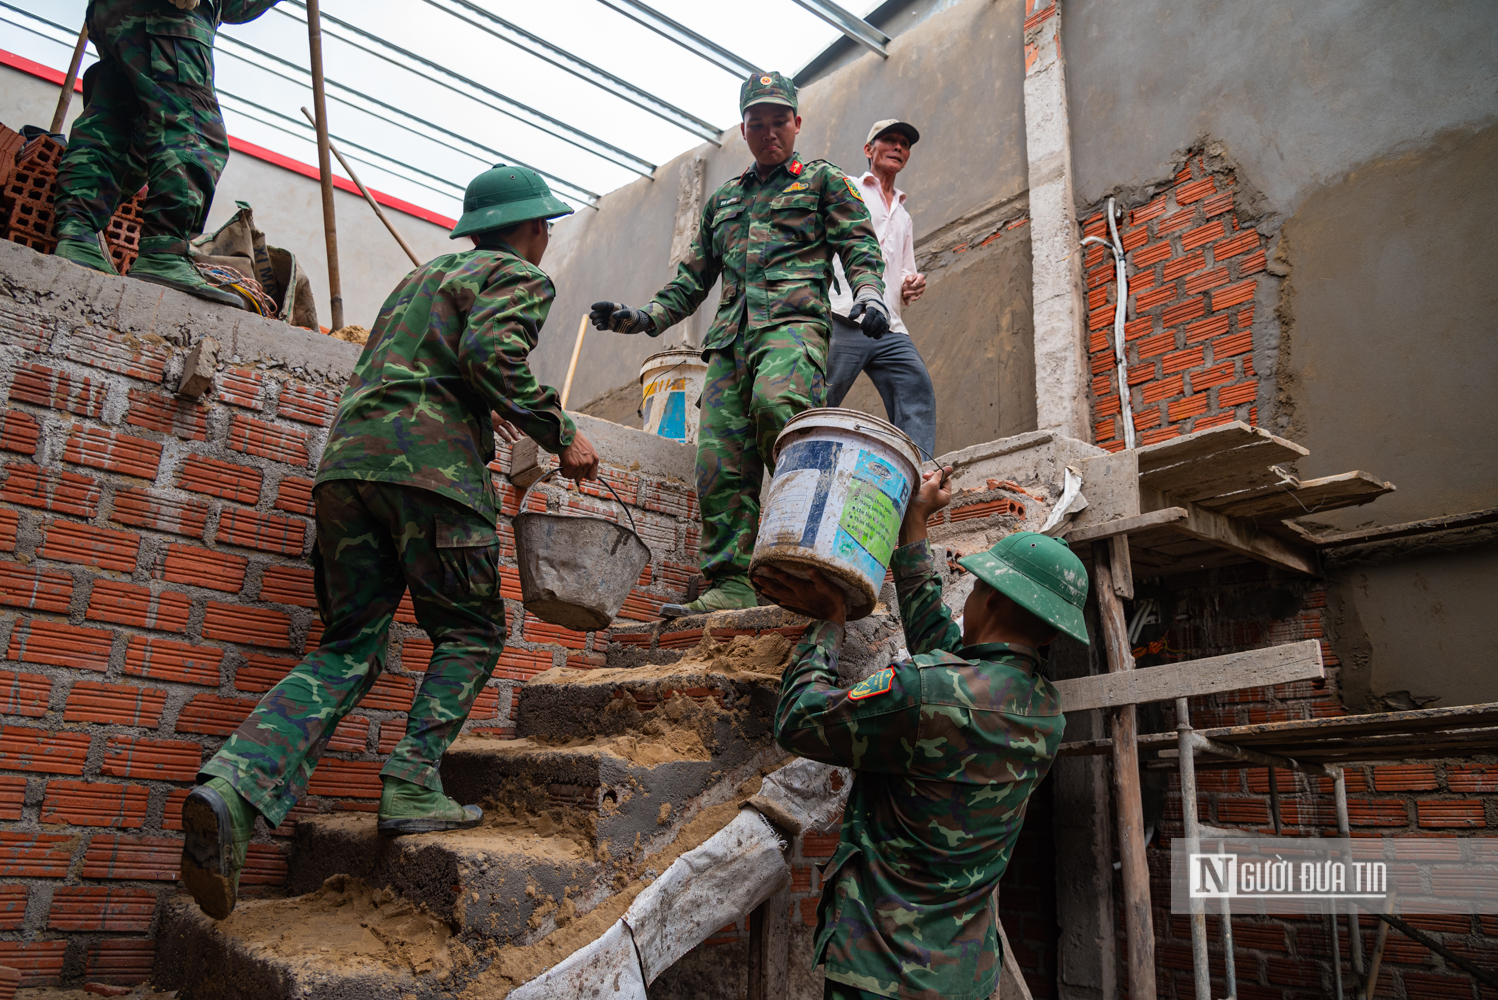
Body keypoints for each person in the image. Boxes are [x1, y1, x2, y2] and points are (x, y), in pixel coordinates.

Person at [178, 164, 600, 920]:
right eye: (545, 229)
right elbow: (490, 358)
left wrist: (484, 412)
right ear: (533, 229)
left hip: (347, 471)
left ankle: (236, 789)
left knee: (347, 647)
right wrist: (560, 432)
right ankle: (412, 780)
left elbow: (440, 367)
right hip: (431, 475)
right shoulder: (517, 275)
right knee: (471, 631)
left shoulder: (420, 281)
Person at [754, 468, 1090, 1000]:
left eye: (978, 587)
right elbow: (950, 656)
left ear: (994, 601)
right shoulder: (1045, 711)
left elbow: (798, 721)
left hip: (883, 968)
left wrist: (828, 624)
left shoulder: (925, 694)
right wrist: (915, 528)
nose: (973, 597)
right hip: (964, 973)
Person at [589, 71, 887, 617]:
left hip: (792, 328)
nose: (769, 132)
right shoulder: (724, 200)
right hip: (729, 344)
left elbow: (858, 243)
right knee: (719, 461)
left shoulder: (823, 182)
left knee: (781, 411)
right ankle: (731, 579)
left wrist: (870, 293)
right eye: (757, 123)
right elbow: (690, 282)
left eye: (779, 121)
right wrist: (639, 319)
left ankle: (815, 545)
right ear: (744, 130)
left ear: (797, 123)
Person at [51, 0, 284, 306]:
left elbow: (233, 8)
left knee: (119, 122)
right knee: (191, 124)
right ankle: (164, 251)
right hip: (166, 15)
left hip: (117, 13)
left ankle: (77, 233)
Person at [827, 120, 936, 460]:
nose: (898, 147)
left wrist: (911, 283)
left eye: (904, 143)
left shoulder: (903, 215)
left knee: (916, 387)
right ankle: (794, 470)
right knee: (819, 400)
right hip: (845, 313)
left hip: (889, 325)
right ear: (868, 149)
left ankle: (914, 472)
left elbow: (905, 270)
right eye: (888, 140)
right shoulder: (848, 189)